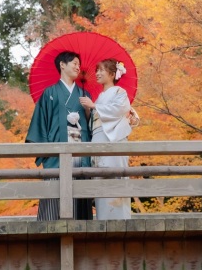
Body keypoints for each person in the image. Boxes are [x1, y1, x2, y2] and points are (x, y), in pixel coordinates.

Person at [26, 51, 93, 221]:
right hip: (56, 153)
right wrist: (46, 150)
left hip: (79, 150)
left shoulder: (85, 95)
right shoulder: (50, 93)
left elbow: (93, 127)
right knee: (54, 196)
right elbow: (39, 124)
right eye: (75, 63)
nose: (78, 67)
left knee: (79, 194)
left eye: (79, 64)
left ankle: (81, 236)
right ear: (62, 65)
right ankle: (48, 235)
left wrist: (87, 111)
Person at [79, 58, 133, 220]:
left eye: (101, 70)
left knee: (114, 175)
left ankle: (119, 219)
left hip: (112, 139)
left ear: (112, 74)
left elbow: (119, 109)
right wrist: (88, 111)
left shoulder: (119, 92)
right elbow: (94, 122)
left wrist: (94, 106)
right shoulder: (100, 97)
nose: (97, 73)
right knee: (99, 176)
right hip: (98, 138)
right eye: (97, 70)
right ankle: (103, 218)